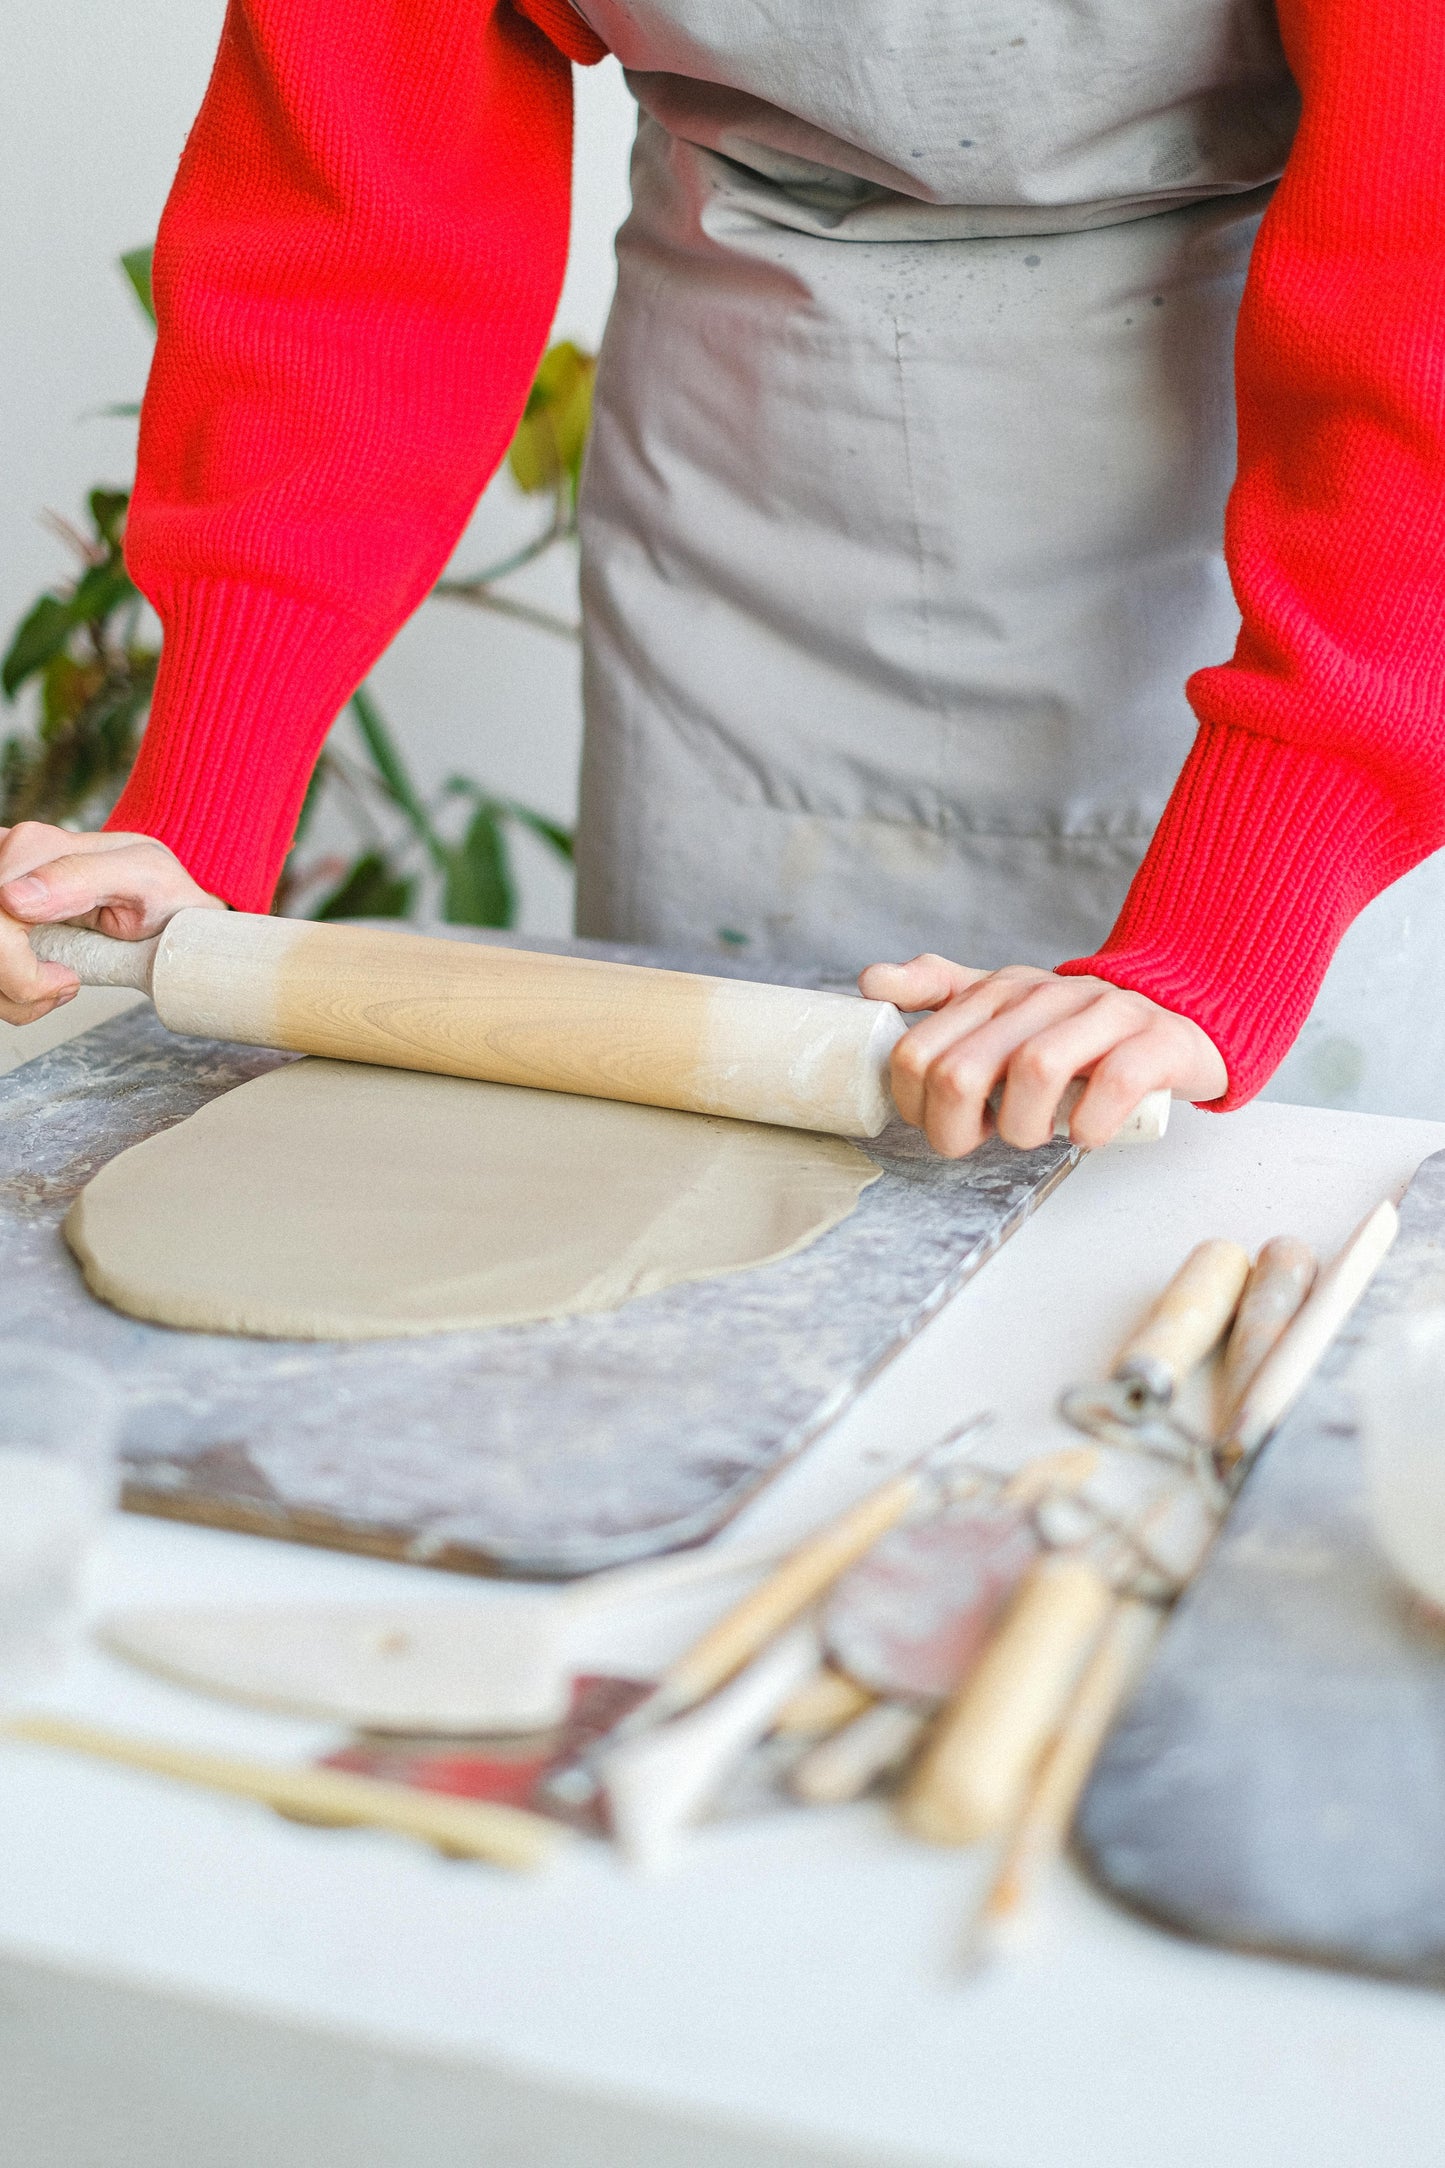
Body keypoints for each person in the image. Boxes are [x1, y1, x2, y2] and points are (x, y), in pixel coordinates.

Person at [0, 0, 1440, 1160]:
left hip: (1330, 566)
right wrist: (197, 811)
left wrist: (1230, 927)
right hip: (742, 483)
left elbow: (1414, 304)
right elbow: (350, 229)